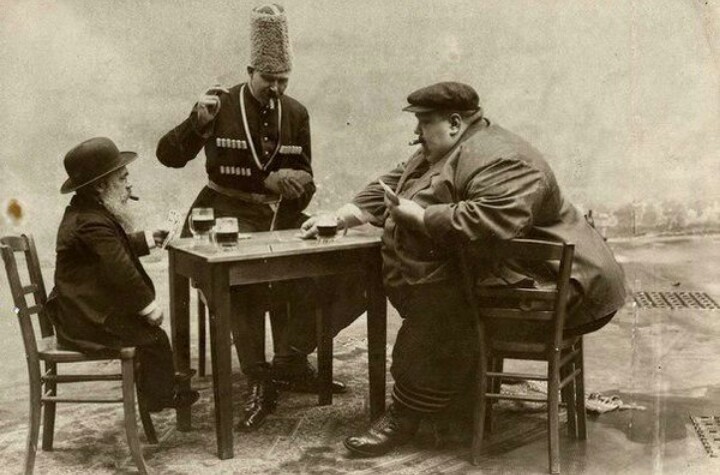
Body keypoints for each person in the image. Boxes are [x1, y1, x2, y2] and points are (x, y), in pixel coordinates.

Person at [301, 81, 627, 456]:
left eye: (423, 124)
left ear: (454, 123)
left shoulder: (504, 159)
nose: (416, 134)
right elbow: (394, 183)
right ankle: (454, 405)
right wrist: (343, 216)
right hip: (522, 270)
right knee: (444, 291)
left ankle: (407, 413)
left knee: (440, 301)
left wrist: (422, 217)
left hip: (564, 287)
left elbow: (490, 222)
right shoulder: (444, 149)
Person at [156, 4, 354, 431]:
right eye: (269, 80)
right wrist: (196, 123)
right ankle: (259, 379)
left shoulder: (297, 113)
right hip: (223, 214)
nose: (277, 89)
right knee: (240, 283)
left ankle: (290, 362)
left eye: (284, 80)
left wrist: (299, 187)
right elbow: (167, 156)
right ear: (250, 71)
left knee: (312, 275)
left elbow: (308, 176)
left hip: (278, 218)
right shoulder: (218, 105)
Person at [47, 137, 199, 413]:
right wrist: (148, 307)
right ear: (101, 185)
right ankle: (160, 395)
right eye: (123, 178)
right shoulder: (91, 222)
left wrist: (150, 238)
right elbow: (119, 267)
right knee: (153, 336)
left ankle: (159, 385)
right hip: (85, 320)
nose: (129, 184)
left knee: (150, 336)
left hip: (82, 311)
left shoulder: (88, 214)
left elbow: (113, 248)